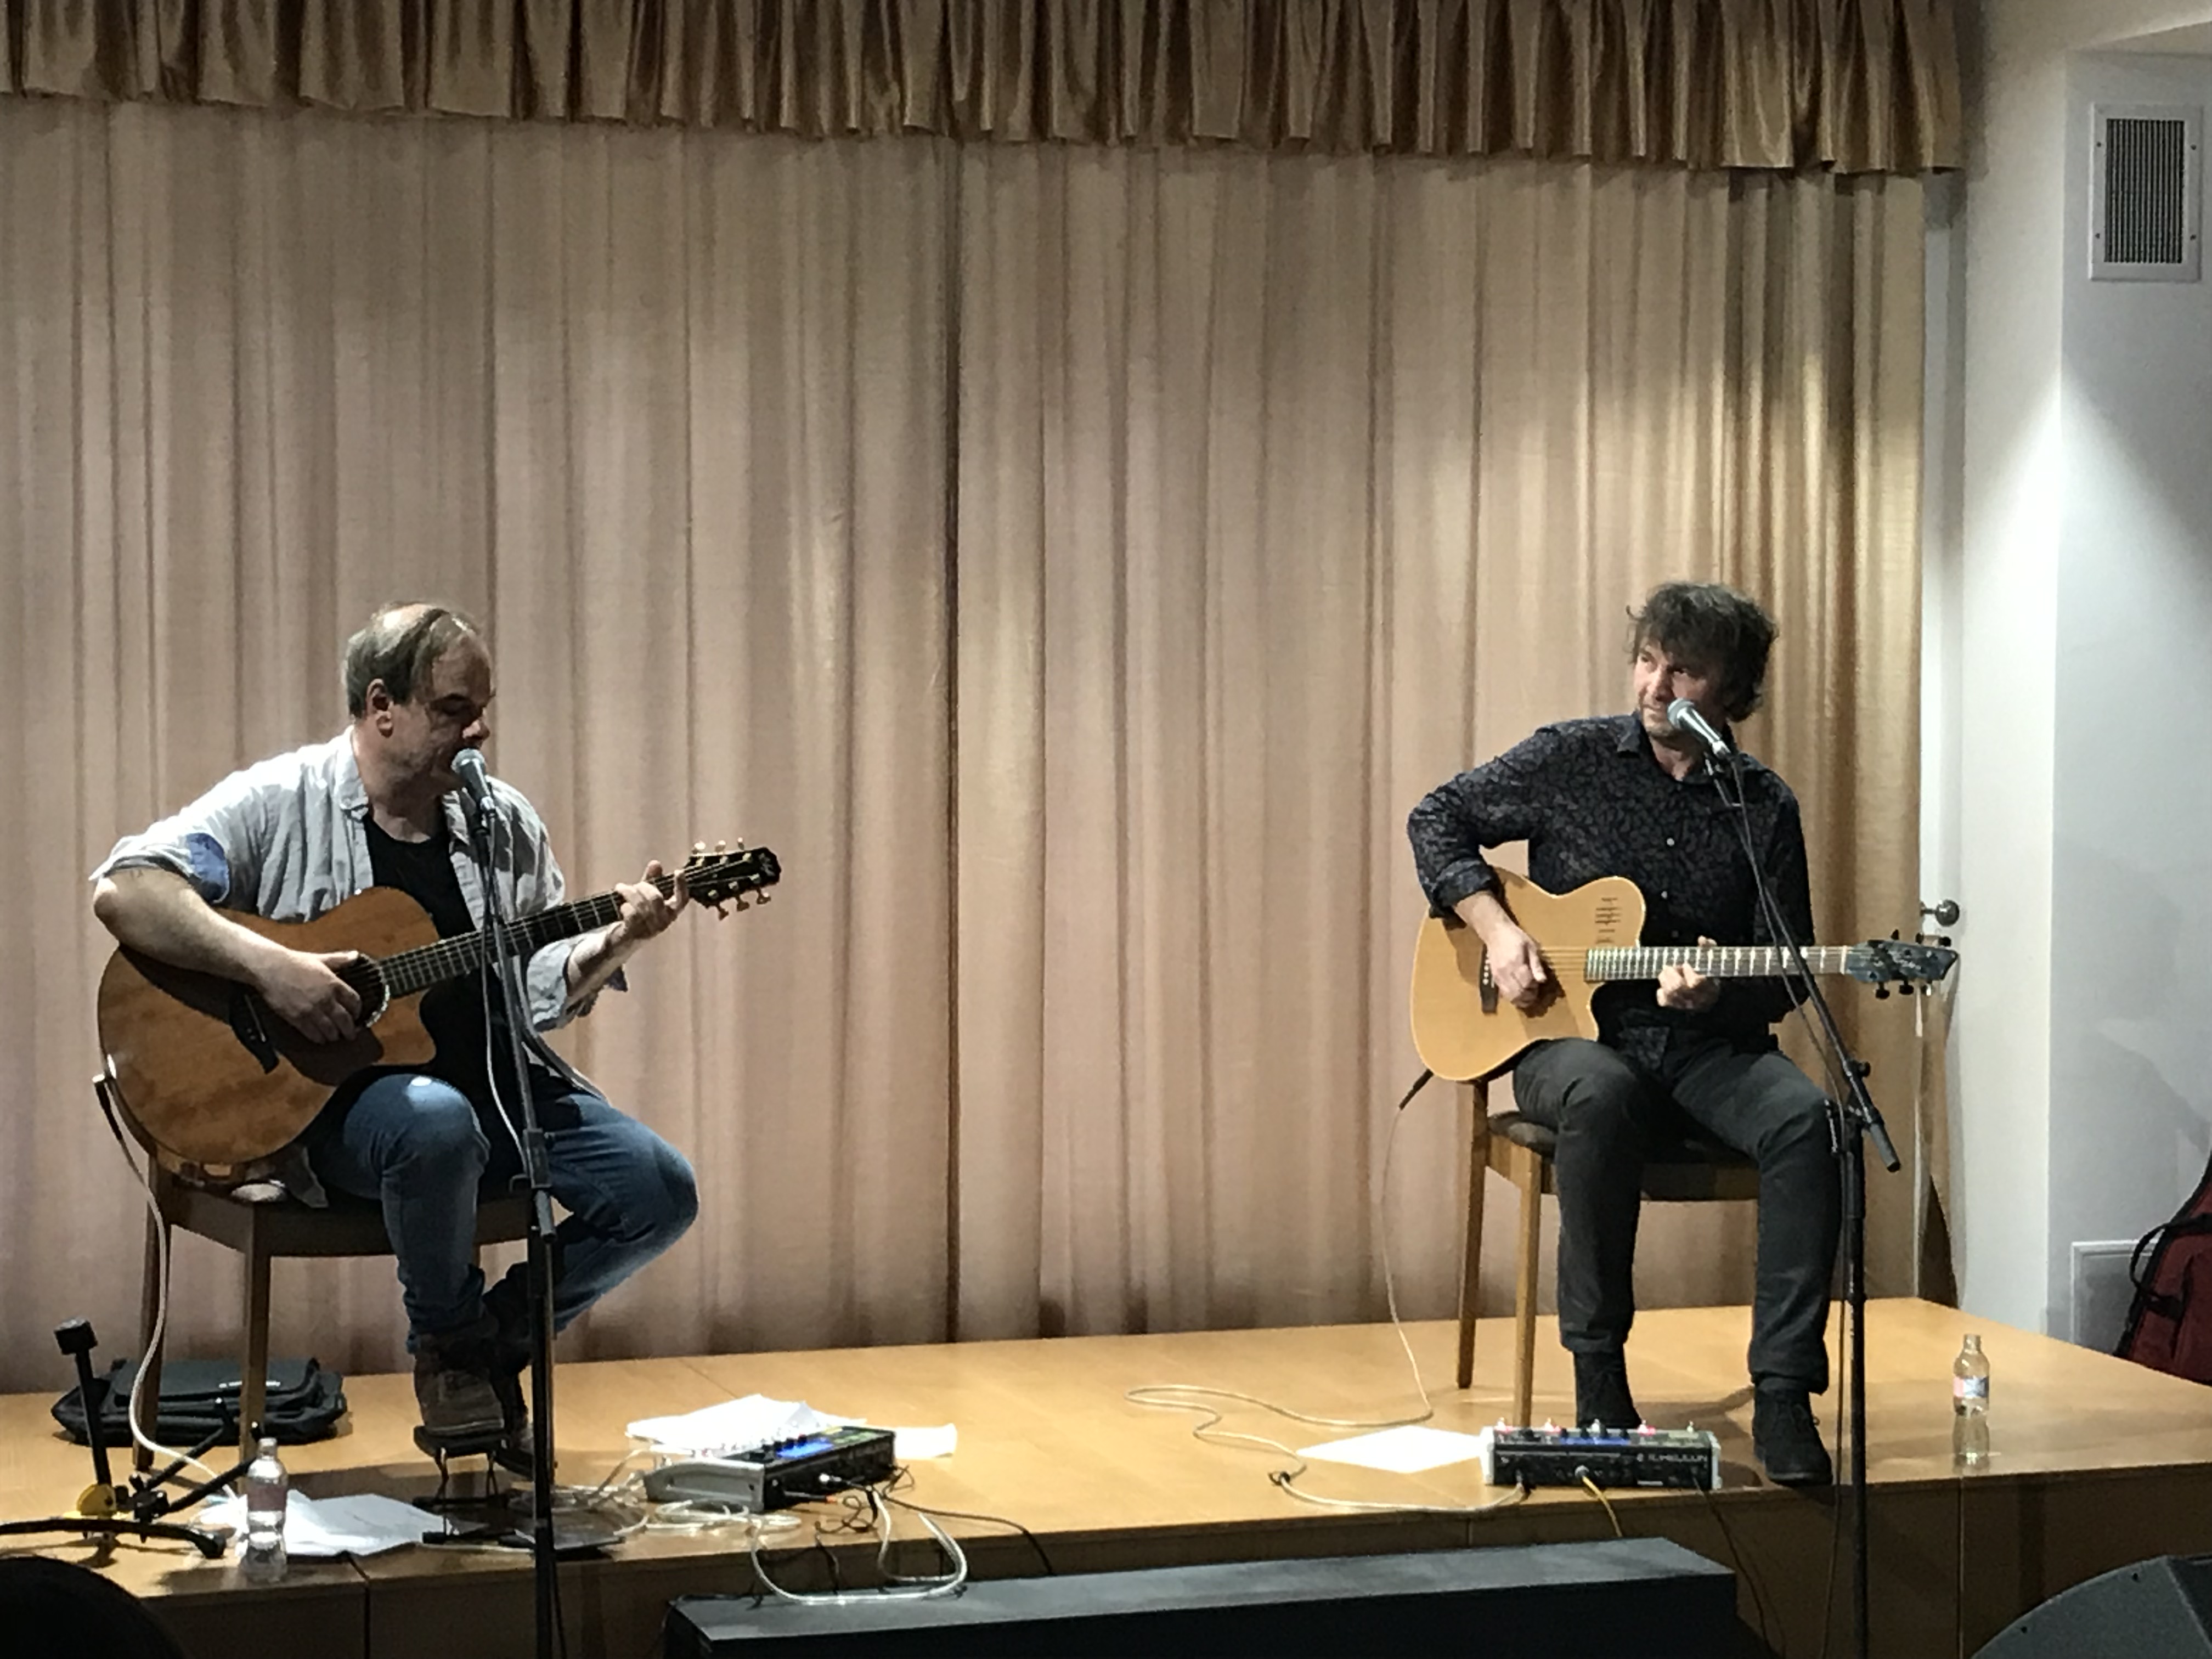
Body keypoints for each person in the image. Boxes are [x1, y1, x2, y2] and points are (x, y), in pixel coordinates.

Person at [91, 603, 699, 1459]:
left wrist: (620, 939)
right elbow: (126, 889)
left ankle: (489, 1343)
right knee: (434, 1121)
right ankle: (446, 1346)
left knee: (659, 1191)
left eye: (482, 709)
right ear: (383, 706)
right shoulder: (282, 801)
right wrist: (272, 969)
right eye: (454, 709)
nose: (479, 731)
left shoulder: (501, 825)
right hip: (338, 1111)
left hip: (498, 1086)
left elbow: (538, 990)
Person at [1407, 579, 1839, 1486]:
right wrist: (1498, 930)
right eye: (1647, 661)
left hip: (1706, 1048)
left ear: (1732, 692)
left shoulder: (1762, 805)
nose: (1654, 685)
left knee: (1808, 1121)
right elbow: (1435, 818)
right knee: (1604, 1095)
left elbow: (1789, 971)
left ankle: (1784, 1393)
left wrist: (1714, 996)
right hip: (1568, 1043)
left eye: (1683, 671)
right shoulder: (1570, 759)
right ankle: (1599, 1376)